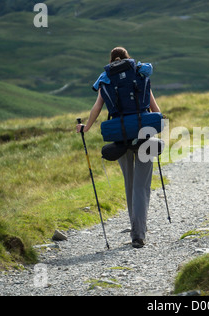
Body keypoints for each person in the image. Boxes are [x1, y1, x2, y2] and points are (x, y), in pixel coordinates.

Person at [76, 47, 161, 248]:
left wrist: (85, 128)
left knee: (129, 184)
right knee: (142, 187)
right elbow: (154, 108)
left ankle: (135, 230)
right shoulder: (139, 73)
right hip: (144, 135)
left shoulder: (106, 78)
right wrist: (159, 119)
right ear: (128, 58)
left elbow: (97, 107)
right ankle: (138, 234)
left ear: (111, 60)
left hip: (121, 137)